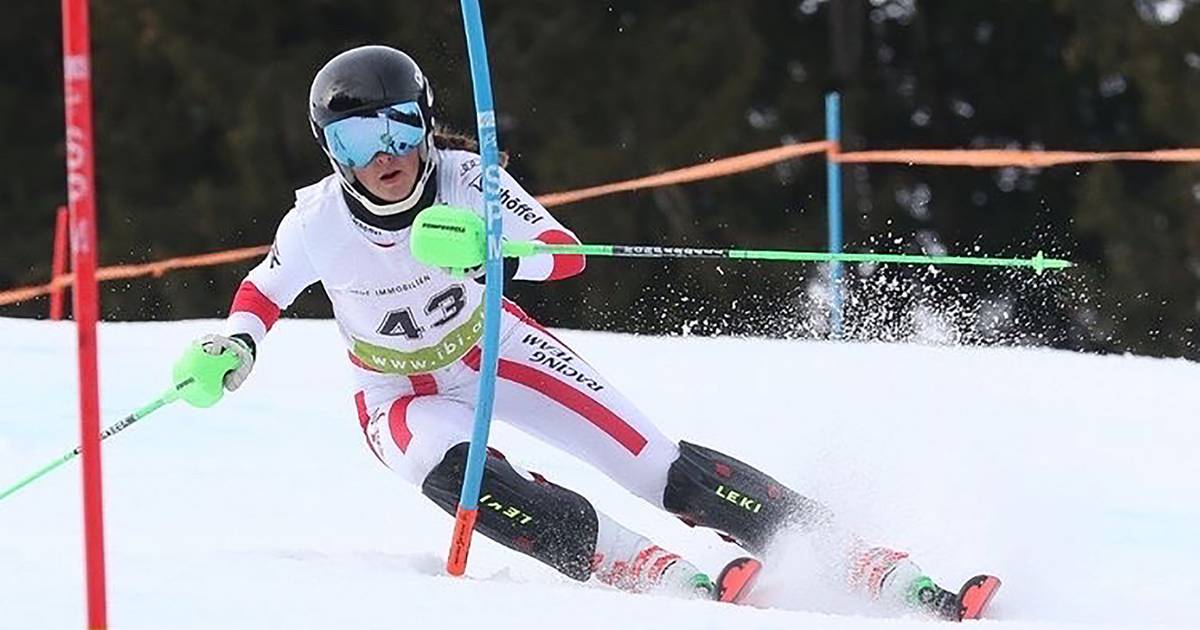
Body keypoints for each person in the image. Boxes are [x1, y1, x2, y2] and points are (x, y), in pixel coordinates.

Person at [172, 45, 998, 619]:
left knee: (656, 464)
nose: (385, 153)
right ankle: (640, 566)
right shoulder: (317, 221)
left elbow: (564, 258)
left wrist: (494, 253)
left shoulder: (472, 181)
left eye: (400, 127)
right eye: (359, 137)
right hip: (397, 393)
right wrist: (236, 345)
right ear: (331, 150)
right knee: (463, 478)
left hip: (492, 347)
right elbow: (265, 288)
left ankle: (864, 563)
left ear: (426, 124)